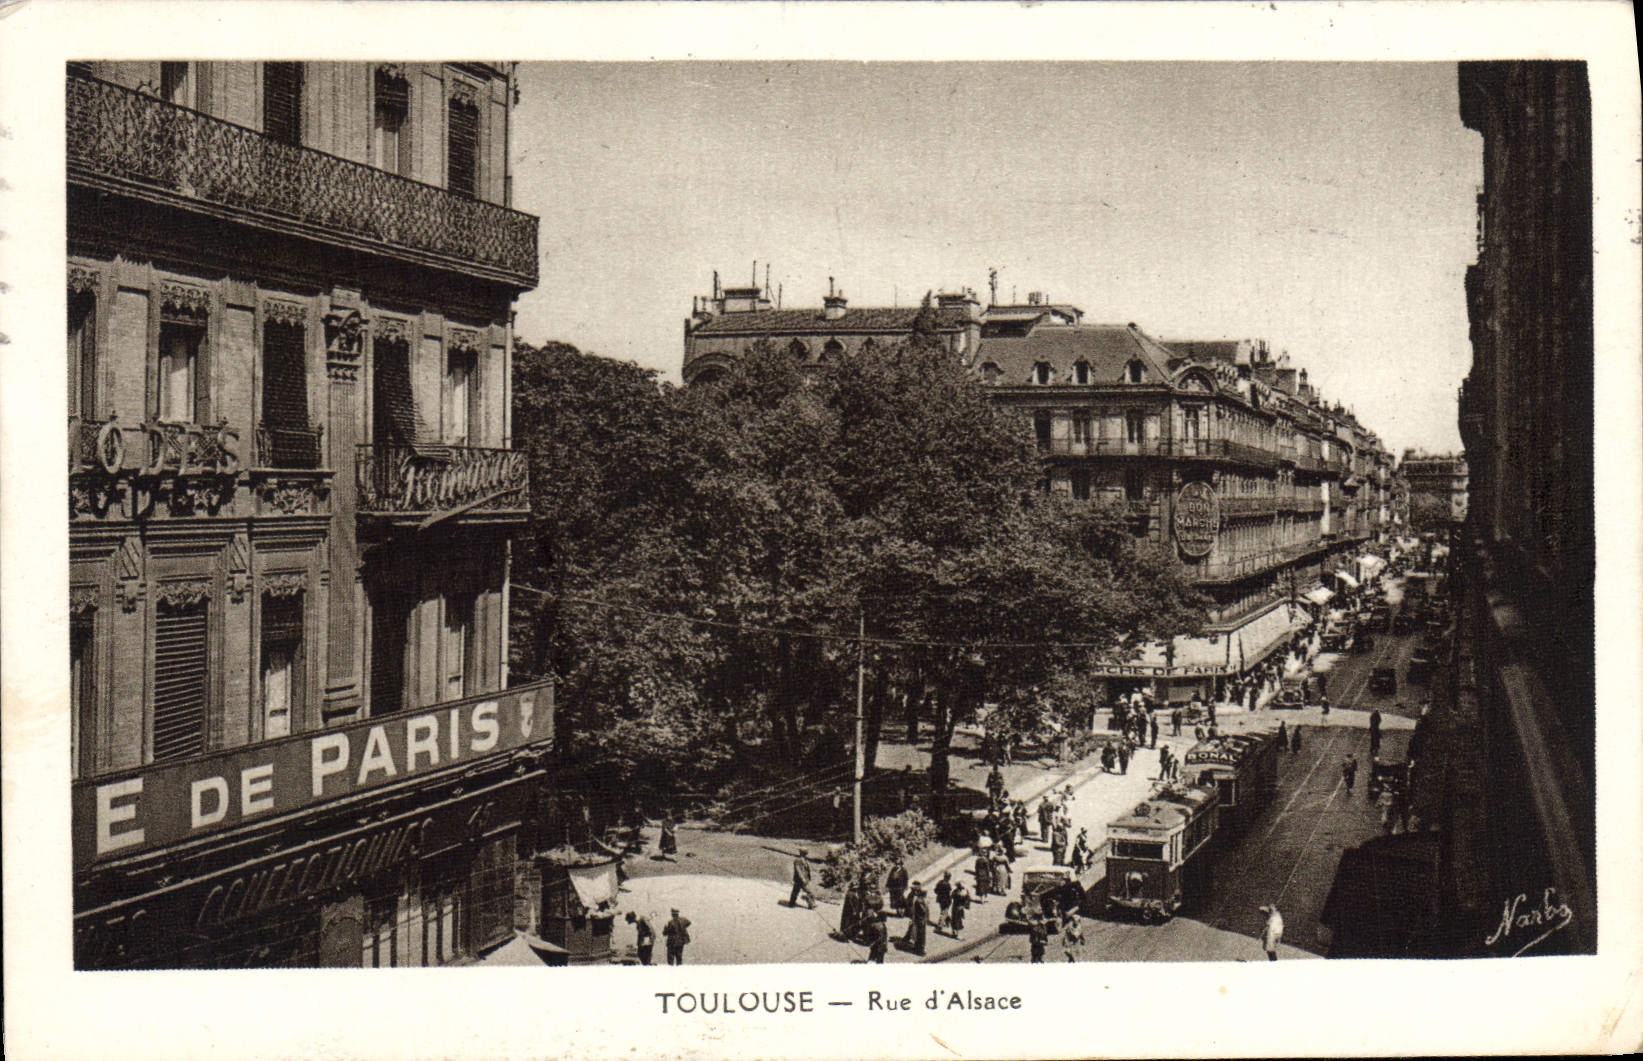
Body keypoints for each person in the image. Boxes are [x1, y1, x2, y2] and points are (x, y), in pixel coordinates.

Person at [902, 882, 929, 955]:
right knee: (920, 936)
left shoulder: (918, 899)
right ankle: (920, 950)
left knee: (917, 934)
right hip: (919, 921)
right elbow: (923, 911)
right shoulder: (920, 901)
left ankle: (915, 945)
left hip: (917, 919)